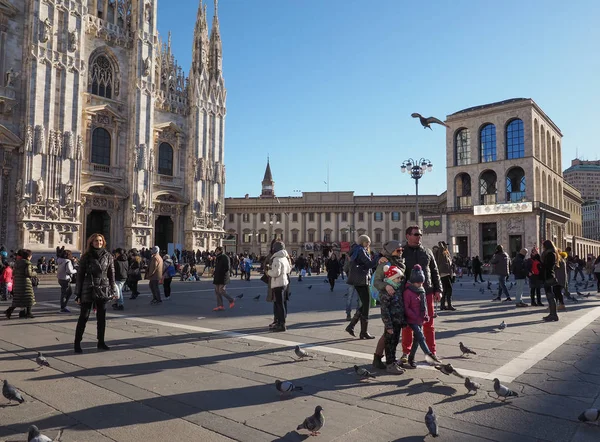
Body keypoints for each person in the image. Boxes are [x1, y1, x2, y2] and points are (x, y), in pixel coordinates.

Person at [400, 226, 442, 363]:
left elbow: (435, 271)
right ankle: (406, 353)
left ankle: (431, 353)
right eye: (416, 234)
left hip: (427, 292)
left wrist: (438, 289)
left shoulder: (427, 252)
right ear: (408, 236)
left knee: (428, 324)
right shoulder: (402, 252)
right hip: (408, 293)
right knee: (407, 325)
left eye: (420, 235)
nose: (419, 237)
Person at [74, 234, 116, 353]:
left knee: (101, 317)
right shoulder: (86, 257)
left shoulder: (108, 256)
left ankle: (101, 342)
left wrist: (113, 289)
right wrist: (77, 293)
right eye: (96, 241)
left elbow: (111, 274)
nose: (98, 243)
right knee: (84, 316)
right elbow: (80, 276)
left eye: (100, 241)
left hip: (103, 287)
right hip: (88, 287)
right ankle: (77, 343)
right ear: (91, 243)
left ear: (103, 242)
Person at [372, 240, 406, 373]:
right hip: (390, 300)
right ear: (391, 251)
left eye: (401, 250)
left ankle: (381, 359)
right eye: (398, 250)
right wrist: (385, 286)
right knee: (390, 333)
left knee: (392, 334)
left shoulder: (401, 263)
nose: (401, 252)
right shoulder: (384, 263)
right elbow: (376, 281)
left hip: (399, 301)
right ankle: (389, 362)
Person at [403, 264, 441, 368]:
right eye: (418, 283)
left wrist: (425, 315)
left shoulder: (422, 290)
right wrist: (414, 316)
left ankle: (411, 358)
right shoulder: (408, 292)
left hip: (419, 319)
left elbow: (423, 304)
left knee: (416, 340)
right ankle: (429, 354)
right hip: (412, 319)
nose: (420, 285)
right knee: (421, 336)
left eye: (421, 283)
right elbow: (406, 308)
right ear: (413, 281)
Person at [344, 235, 381, 340]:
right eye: (367, 242)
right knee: (366, 303)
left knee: (365, 303)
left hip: (359, 280)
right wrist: (378, 257)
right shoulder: (360, 250)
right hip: (360, 280)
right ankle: (362, 331)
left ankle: (352, 326)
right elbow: (369, 264)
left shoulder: (358, 249)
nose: (369, 244)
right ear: (362, 242)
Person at [267, 241, 291, 332]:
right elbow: (288, 269)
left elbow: (276, 273)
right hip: (284, 283)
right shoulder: (284, 258)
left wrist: (268, 272)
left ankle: (281, 324)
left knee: (279, 304)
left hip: (278, 284)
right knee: (281, 303)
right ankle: (280, 322)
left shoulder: (277, 259)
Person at [5, 250, 36, 319]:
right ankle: (29, 313)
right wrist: (35, 273)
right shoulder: (28, 263)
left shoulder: (17, 263)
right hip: (25, 283)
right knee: (29, 297)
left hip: (18, 282)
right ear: (28, 257)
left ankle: (9, 311)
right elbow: (28, 273)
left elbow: (13, 273)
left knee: (18, 299)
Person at [541, 239, 561, 322]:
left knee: (550, 296)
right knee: (550, 296)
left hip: (548, 276)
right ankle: (552, 314)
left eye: (543, 246)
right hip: (548, 275)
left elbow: (547, 266)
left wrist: (539, 261)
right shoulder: (551, 253)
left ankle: (554, 315)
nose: (543, 247)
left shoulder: (550, 254)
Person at [433, 241, 455, 311]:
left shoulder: (445, 254)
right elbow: (441, 247)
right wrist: (441, 244)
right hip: (443, 273)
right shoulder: (441, 252)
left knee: (445, 290)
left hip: (446, 273)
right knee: (449, 289)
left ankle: (442, 305)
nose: (446, 247)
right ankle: (449, 305)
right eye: (445, 245)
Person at [213, 246, 234, 311]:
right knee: (217, 291)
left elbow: (227, 267)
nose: (216, 252)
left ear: (220, 251)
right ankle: (220, 306)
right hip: (217, 276)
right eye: (216, 251)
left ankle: (231, 300)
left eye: (217, 251)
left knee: (221, 290)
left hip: (223, 277)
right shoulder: (218, 258)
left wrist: (221, 272)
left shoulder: (225, 257)